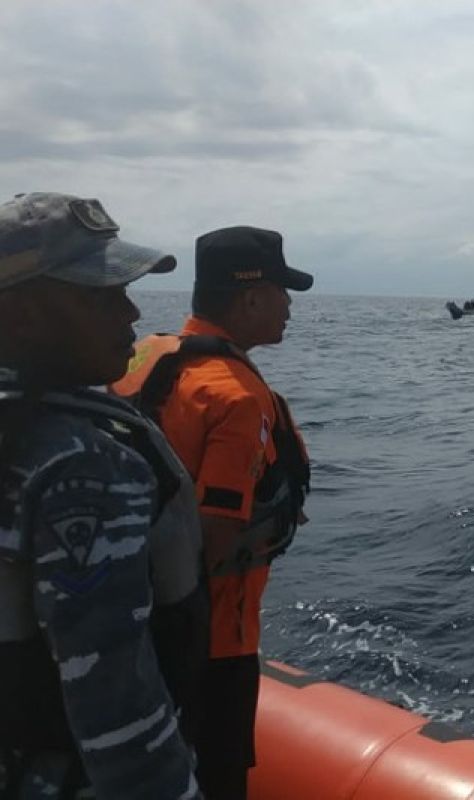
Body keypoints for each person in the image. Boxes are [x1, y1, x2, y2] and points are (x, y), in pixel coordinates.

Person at [0, 193, 204, 798]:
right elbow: (116, 709)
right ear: (21, 313)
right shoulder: (87, 464)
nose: (132, 313)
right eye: (101, 295)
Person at [112, 226, 313, 799]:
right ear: (251, 299)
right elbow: (213, 540)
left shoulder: (144, 355)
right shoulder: (238, 399)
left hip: (132, 622)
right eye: (283, 291)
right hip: (212, 643)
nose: (290, 305)